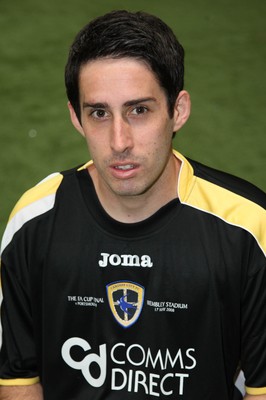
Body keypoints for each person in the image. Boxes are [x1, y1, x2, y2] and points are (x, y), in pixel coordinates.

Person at [0, 9, 265, 400]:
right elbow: (19, 381)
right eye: (99, 113)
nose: (119, 141)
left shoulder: (248, 229)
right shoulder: (35, 222)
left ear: (178, 111)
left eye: (139, 110)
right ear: (76, 117)